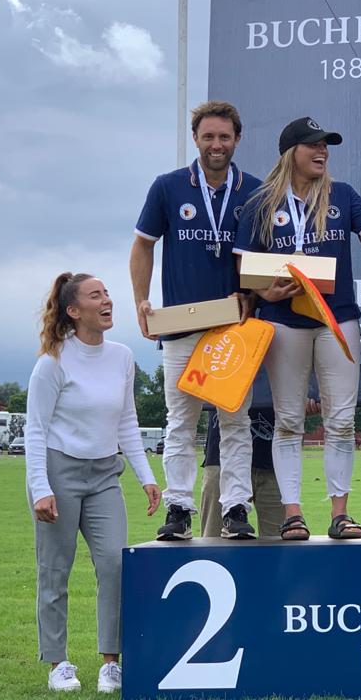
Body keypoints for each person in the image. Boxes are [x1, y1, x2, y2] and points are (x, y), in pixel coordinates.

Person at [234, 116, 361, 540]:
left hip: (338, 319)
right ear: (292, 151)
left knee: (341, 421)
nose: (322, 151)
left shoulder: (341, 195)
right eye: (313, 145)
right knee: (288, 420)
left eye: (326, 145)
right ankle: (294, 513)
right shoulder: (261, 203)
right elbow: (243, 267)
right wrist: (266, 294)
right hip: (283, 322)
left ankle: (340, 513)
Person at [131, 100, 261, 541]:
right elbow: (143, 244)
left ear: (237, 139)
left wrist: (250, 294)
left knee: (235, 420)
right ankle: (179, 511)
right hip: (181, 326)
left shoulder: (254, 190)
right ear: (196, 139)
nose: (217, 144)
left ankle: (237, 508)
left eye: (225, 136)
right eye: (208, 136)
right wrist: (141, 301)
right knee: (180, 421)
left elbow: (263, 258)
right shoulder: (168, 187)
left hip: (233, 328)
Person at [25, 273, 161, 693]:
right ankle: (58, 663)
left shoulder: (122, 357)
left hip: (105, 475)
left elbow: (126, 421)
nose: (107, 301)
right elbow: (35, 429)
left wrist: (146, 477)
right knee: (55, 571)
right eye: (95, 295)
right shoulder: (52, 361)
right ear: (73, 310)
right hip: (59, 473)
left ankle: (110, 663)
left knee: (116, 566)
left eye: (107, 294)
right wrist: (40, 488)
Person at [199, 394, 320, 539]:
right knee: (214, 547)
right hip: (223, 459)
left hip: (276, 460)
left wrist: (307, 396)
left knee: (281, 547)